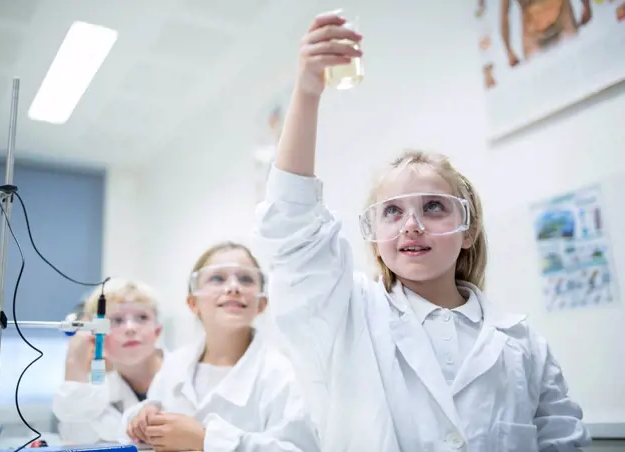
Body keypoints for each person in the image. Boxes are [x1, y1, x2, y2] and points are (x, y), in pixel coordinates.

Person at [252, 11, 591, 452]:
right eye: (392, 211)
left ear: (468, 230)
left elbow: (563, 442)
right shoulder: (348, 313)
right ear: (374, 235)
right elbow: (292, 229)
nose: (412, 224)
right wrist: (308, 92)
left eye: (433, 207)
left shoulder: (523, 344)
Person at [121, 241, 319, 452]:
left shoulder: (281, 376)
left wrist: (207, 440)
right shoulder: (174, 367)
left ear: (262, 303)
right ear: (193, 303)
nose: (233, 287)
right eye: (217, 278)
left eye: (246, 279)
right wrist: (142, 419)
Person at [52, 279, 168, 444]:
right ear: (97, 335)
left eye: (142, 317)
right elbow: (76, 439)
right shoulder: (98, 391)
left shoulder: (184, 373)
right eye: (117, 320)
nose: (130, 328)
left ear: (157, 331)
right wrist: (74, 364)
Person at [501, 0, 592, 65]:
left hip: (560, 15)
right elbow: (504, 14)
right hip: (534, 29)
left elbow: (505, 15)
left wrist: (586, 5)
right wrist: (508, 50)